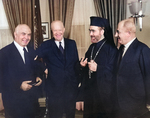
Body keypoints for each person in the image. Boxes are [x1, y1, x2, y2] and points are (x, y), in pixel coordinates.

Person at [77, 16, 118, 118]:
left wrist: (98, 69)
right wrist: (82, 66)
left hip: (104, 98)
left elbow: (115, 73)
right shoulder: (91, 47)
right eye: (90, 31)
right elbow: (86, 73)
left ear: (102, 31)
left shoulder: (111, 50)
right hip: (90, 96)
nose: (90, 34)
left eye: (93, 31)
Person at [37, 20, 79, 118]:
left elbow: (75, 63)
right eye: (55, 30)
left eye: (59, 30)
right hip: (54, 88)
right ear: (52, 31)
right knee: (56, 114)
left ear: (64, 30)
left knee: (70, 113)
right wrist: (44, 68)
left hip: (70, 87)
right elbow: (35, 60)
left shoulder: (72, 43)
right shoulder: (46, 45)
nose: (57, 33)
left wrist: (80, 67)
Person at [0, 24, 43, 118]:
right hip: (13, 102)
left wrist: (38, 76)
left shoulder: (32, 52)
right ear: (15, 35)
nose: (26, 37)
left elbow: (36, 69)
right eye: (23, 34)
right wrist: (19, 85)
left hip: (31, 101)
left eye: (29, 35)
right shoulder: (4, 53)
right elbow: (1, 78)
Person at [114, 19, 150, 118]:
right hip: (121, 106)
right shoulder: (121, 49)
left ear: (128, 33)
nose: (116, 35)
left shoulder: (143, 50)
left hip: (136, 107)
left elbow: (148, 78)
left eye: (118, 32)